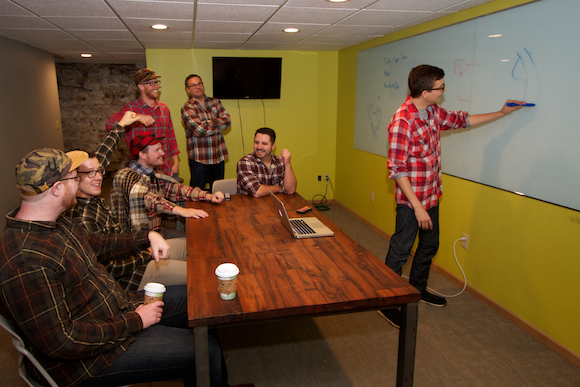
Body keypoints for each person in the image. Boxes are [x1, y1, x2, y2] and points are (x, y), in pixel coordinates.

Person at [0, 148, 227, 387]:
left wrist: (147, 235)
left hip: (117, 309)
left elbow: (99, 244)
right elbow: (62, 341)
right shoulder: (26, 261)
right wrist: (135, 321)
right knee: (206, 351)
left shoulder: (56, 224)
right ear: (56, 189)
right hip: (90, 360)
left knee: (201, 305)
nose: (78, 181)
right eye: (74, 177)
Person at [378, 64, 526, 328]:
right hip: (412, 203)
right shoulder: (403, 121)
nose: (444, 90)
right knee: (401, 250)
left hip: (431, 195)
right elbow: (397, 169)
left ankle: (417, 289)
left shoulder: (433, 111)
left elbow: (462, 120)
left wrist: (502, 113)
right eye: (441, 87)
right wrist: (417, 207)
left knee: (429, 246)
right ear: (425, 91)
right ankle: (386, 303)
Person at [66, 110, 187, 291]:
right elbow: (110, 268)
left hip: (137, 253)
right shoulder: (83, 218)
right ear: (74, 178)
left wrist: (120, 126)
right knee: (195, 272)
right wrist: (144, 253)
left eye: (99, 171)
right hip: (133, 277)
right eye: (91, 173)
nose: (98, 177)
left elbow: (102, 157)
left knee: (188, 246)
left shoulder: (92, 197)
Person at [110, 131, 225, 237]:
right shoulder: (124, 176)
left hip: (158, 232)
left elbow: (178, 190)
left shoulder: (155, 176)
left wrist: (208, 196)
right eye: (157, 150)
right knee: (194, 244)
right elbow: (146, 198)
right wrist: (182, 210)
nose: (163, 153)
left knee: (194, 238)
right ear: (142, 155)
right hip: (138, 240)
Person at [106, 68, 180, 178]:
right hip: (141, 172)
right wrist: (137, 117)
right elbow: (109, 125)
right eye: (152, 83)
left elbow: (170, 137)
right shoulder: (131, 109)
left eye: (156, 82)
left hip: (166, 168)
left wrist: (176, 162)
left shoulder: (164, 109)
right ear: (141, 86)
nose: (156, 86)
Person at [181, 74, 231, 190]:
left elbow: (227, 121)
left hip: (219, 156)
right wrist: (217, 125)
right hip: (200, 159)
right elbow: (198, 130)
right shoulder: (187, 107)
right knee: (196, 194)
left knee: (218, 192)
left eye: (199, 83)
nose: (198, 87)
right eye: (193, 85)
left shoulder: (215, 102)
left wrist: (205, 123)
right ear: (188, 90)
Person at [237, 128, 297, 198]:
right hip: (250, 206)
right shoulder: (245, 162)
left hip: (274, 206)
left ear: (273, 146)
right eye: (256, 143)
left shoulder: (280, 162)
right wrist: (279, 188)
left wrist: (287, 164)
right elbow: (256, 192)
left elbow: (291, 190)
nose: (259, 147)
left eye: (264, 144)